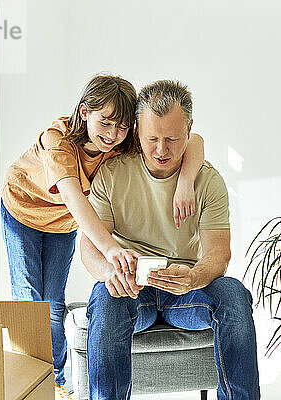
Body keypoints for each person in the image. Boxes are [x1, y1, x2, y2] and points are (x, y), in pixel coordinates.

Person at [0, 74, 206, 392]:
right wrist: (112, 250)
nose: (113, 135)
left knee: (53, 303)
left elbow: (193, 141)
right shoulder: (58, 140)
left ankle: (55, 384)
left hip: (64, 222)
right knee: (29, 298)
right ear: (85, 112)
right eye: (106, 123)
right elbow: (73, 196)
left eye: (122, 127)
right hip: (23, 210)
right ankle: (29, 386)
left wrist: (185, 182)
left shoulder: (121, 140)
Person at [81, 79, 261, 400]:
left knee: (234, 293)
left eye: (172, 139)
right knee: (105, 296)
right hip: (134, 291)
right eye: (152, 138)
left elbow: (218, 254)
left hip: (186, 292)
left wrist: (193, 277)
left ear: (189, 130)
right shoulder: (113, 173)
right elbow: (90, 248)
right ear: (136, 130)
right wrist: (112, 275)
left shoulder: (207, 181)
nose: (161, 150)